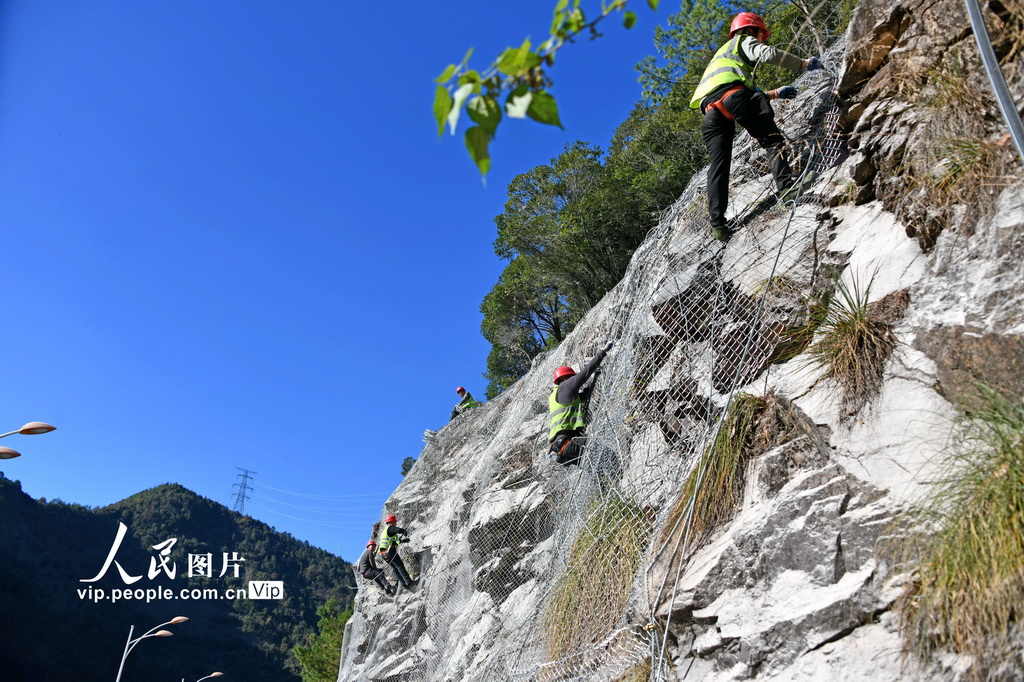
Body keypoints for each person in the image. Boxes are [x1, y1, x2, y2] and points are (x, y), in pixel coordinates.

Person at [689, 11, 823, 241]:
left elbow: (731, 92)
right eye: (761, 33)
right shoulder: (743, 40)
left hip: (711, 112)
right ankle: (787, 189)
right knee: (771, 140)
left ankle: (718, 226)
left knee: (718, 165)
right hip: (735, 98)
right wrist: (802, 64)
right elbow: (767, 55)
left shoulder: (721, 56)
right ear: (750, 30)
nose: (763, 38)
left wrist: (776, 93)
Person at [549, 342, 612, 465]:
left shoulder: (557, 395)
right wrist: (602, 352)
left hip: (560, 446)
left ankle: (609, 483)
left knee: (595, 464)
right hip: (566, 442)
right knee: (606, 455)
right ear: (567, 378)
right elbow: (585, 372)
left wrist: (594, 379)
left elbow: (585, 395)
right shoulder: (567, 385)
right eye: (573, 378)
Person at [378, 514, 414, 589]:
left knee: (395, 568)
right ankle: (408, 582)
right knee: (399, 566)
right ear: (391, 522)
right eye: (395, 522)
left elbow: (394, 542)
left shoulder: (385, 532)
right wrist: (403, 531)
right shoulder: (390, 528)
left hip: (383, 554)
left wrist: (403, 541)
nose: (396, 524)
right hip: (389, 551)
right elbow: (397, 530)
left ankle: (403, 584)